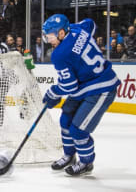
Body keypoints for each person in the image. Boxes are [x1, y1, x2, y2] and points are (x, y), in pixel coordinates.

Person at [42, 14, 120, 176]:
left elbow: (69, 85)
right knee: (65, 121)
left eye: (50, 36)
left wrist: (53, 92)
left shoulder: (59, 55)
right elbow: (90, 23)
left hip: (101, 88)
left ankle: (86, 162)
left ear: (62, 33)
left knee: (78, 131)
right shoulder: (78, 28)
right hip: (84, 86)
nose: (48, 40)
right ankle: (69, 155)